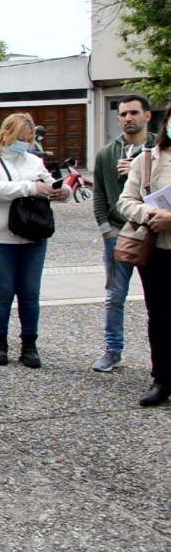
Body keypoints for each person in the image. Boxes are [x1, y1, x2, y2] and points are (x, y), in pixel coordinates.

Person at [0, 113, 69, 370]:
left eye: (28, 139)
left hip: (32, 234)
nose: (25, 144)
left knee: (30, 293)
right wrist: (29, 188)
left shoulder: (34, 161)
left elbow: (49, 183)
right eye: (21, 139)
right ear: (6, 134)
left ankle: (29, 343)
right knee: (2, 292)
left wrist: (63, 190)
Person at [91, 95, 158, 372]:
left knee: (158, 297)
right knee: (115, 295)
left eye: (133, 113)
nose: (128, 118)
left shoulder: (161, 150)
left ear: (147, 116)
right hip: (120, 232)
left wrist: (141, 171)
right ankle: (112, 350)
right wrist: (106, 229)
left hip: (155, 232)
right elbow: (99, 194)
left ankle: (161, 359)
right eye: (123, 114)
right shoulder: (108, 153)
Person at [116, 113, 171, 407]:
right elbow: (126, 201)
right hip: (158, 251)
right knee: (160, 316)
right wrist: (150, 215)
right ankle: (162, 379)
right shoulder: (147, 159)